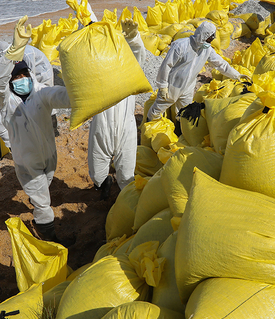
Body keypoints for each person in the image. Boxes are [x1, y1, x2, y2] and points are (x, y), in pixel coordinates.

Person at [0, 18, 71, 243]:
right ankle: (48, 234)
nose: (21, 79)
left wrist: (82, 92)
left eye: (24, 75)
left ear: (29, 75)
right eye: (16, 77)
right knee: (43, 202)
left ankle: (38, 204)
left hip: (50, 156)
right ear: (11, 81)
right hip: (26, 162)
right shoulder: (6, 101)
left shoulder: (41, 93)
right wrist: (12, 52)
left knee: (46, 184)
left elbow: (61, 96)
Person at [88, 19, 147, 199]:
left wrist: (134, 39)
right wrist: (86, 23)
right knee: (97, 173)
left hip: (125, 129)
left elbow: (138, 55)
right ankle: (104, 183)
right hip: (101, 129)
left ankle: (124, 199)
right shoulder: (95, 73)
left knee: (126, 174)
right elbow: (84, 51)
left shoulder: (129, 75)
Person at [148, 22, 249, 121]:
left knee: (184, 112)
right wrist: (163, 86)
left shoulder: (207, 49)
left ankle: (179, 133)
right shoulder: (181, 46)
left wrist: (237, 75)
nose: (210, 42)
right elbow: (166, 66)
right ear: (203, 36)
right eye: (209, 39)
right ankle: (149, 128)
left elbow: (221, 64)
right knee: (158, 109)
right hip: (173, 85)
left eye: (211, 40)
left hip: (188, 86)